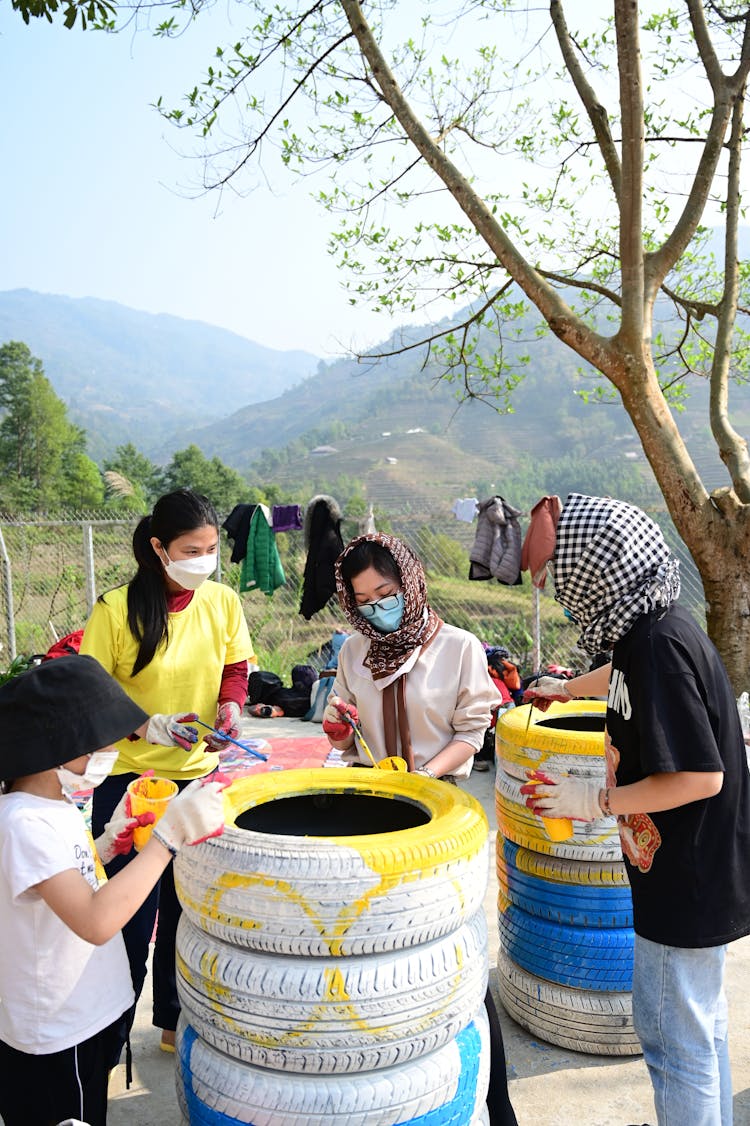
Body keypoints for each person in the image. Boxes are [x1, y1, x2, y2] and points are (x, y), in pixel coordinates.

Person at [521, 492, 750, 1126]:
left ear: (597, 570)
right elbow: (619, 672)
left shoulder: (659, 647)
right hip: (686, 871)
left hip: (689, 878)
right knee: (698, 1032)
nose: (566, 599)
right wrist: (566, 688)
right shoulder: (649, 631)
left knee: (674, 1042)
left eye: (564, 581)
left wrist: (594, 800)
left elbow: (701, 777)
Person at [323, 532, 518, 1125]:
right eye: (362, 600)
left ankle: (494, 1102)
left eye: (386, 592)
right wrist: (338, 730)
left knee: (453, 952)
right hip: (372, 812)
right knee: (376, 952)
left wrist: (424, 777)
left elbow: (471, 733)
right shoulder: (356, 651)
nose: (377, 606)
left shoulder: (458, 647)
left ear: (409, 581)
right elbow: (340, 726)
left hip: (440, 811)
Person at [0, 655, 226, 1126]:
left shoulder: (53, 803)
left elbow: (56, 886)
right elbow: (95, 921)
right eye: (98, 742)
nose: (107, 751)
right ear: (58, 745)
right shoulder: (23, 822)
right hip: (58, 1034)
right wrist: (168, 838)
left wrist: (103, 848)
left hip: (80, 1018)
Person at [79, 488, 254, 1056]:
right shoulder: (114, 609)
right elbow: (92, 696)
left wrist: (231, 705)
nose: (204, 559)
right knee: (130, 914)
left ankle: (174, 1022)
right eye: (190, 549)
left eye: (210, 548)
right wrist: (148, 727)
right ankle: (106, 1036)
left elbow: (234, 665)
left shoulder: (223, 601)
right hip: (132, 785)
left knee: (189, 912)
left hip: (199, 778)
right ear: (158, 548)